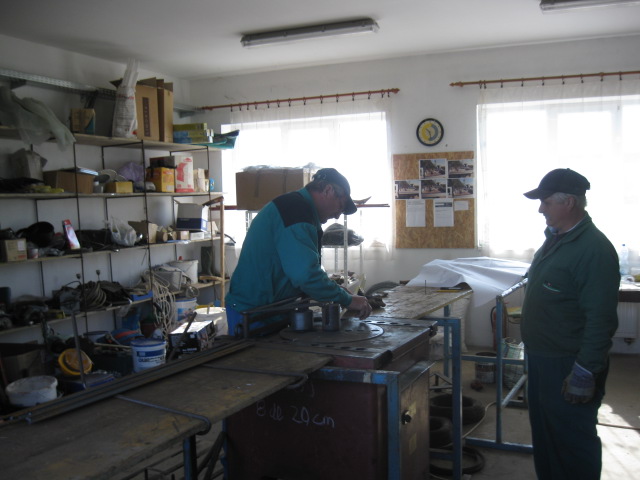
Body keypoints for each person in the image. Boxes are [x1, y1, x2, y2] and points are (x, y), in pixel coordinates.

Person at [521, 168, 619, 480]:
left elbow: (601, 318)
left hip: (567, 362)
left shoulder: (593, 250)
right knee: (546, 435)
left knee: (572, 440)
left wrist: (585, 370)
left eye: (546, 202)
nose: (540, 209)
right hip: (542, 358)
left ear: (570, 202)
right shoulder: (556, 240)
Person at [225, 167, 372, 337]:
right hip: (252, 312)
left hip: (270, 309)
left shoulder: (300, 210)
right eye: (341, 205)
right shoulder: (296, 212)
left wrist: (336, 290)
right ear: (328, 190)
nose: (338, 216)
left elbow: (299, 269)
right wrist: (347, 300)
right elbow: (305, 275)